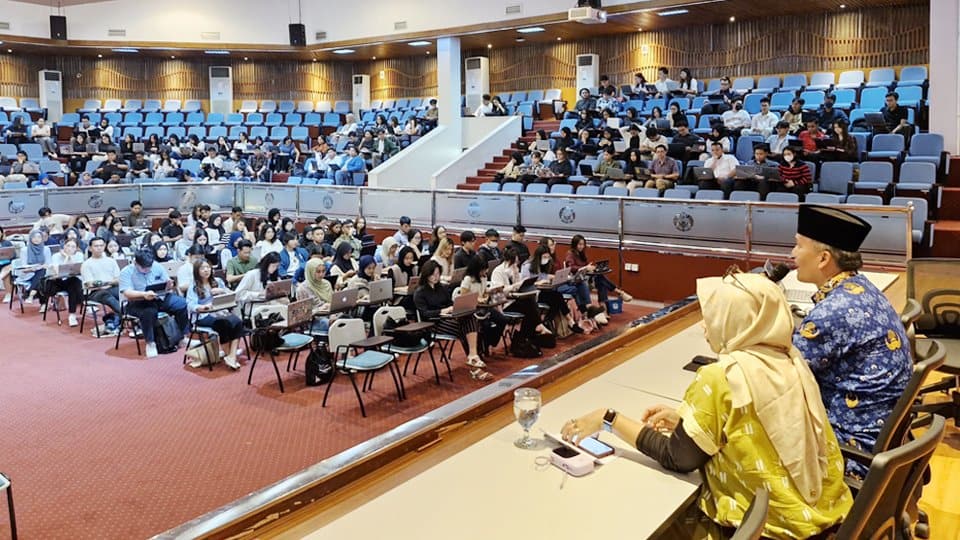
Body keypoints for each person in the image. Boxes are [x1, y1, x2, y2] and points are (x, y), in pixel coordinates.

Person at [561, 271, 852, 538]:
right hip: (825, 517)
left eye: (714, 315)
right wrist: (693, 422)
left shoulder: (722, 376)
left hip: (770, 529)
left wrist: (608, 418)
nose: (704, 324)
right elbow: (758, 424)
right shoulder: (789, 359)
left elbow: (677, 457)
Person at [790, 204, 911, 476]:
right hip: (880, 438)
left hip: (851, 448)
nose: (792, 254)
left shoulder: (834, 312)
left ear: (823, 259)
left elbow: (778, 374)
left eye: (798, 246)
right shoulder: (860, 288)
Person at [413, 260, 490, 381]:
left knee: (470, 318)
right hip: (434, 323)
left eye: (438, 274)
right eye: (433, 274)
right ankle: (474, 362)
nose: (436, 277)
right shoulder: (420, 292)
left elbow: (451, 303)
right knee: (467, 328)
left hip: (449, 318)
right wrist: (442, 311)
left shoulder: (442, 288)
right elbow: (424, 314)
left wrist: (455, 308)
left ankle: (473, 357)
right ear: (426, 275)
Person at [120, 249, 190, 358]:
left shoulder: (157, 266)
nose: (147, 270)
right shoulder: (126, 272)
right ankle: (150, 343)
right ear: (135, 262)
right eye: (144, 268)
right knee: (149, 312)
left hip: (159, 297)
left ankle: (182, 337)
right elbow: (127, 293)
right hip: (138, 301)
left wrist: (169, 285)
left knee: (181, 303)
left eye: (149, 267)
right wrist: (143, 295)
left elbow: (166, 282)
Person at [186, 260, 245, 369]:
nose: (206, 270)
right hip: (203, 316)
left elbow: (232, 295)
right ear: (197, 271)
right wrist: (202, 307)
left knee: (237, 322)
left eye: (208, 267)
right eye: (202, 268)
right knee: (223, 324)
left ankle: (231, 355)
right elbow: (190, 304)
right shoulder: (194, 286)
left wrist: (222, 291)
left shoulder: (218, 281)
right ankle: (229, 355)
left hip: (220, 311)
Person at [566, 234, 633, 307]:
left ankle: (603, 307)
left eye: (583, 244)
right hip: (578, 279)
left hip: (587, 277)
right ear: (574, 244)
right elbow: (571, 267)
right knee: (600, 279)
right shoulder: (570, 254)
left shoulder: (582, 253)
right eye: (579, 244)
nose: (581, 246)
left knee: (600, 280)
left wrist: (591, 268)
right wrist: (585, 267)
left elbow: (586, 265)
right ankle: (618, 293)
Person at [15, 230, 52, 305]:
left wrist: (40, 267)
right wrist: (33, 268)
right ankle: (43, 304)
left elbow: (49, 264)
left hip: (43, 273)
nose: (36, 239)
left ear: (42, 239)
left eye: (39, 237)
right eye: (34, 237)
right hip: (28, 273)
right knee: (43, 279)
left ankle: (30, 294)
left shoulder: (46, 249)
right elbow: (24, 266)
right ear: (30, 238)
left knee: (42, 274)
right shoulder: (24, 250)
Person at [296, 258, 332, 334]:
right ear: (310, 272)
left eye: (323, 271)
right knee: (335, 324)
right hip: (313, 321)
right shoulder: (302, 289)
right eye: (318, 272)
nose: (321, 274)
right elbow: (303, 315)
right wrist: (319, 309)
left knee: (346, 319)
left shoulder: (326, 284)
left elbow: (333, 301)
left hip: (330, 315)